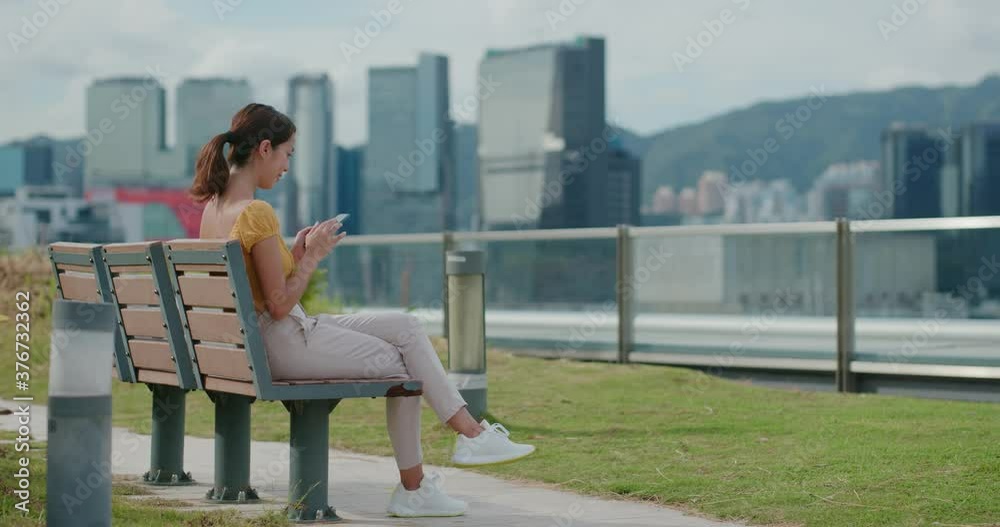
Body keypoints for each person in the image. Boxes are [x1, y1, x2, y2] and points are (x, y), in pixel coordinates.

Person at [189, 103, 534, 518]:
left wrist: (294, 252)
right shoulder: (256, 212)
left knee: (405, 327)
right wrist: (312, 256)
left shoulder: (214, 208)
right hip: (282, 341)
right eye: (287, 154)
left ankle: (471, 436)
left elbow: (258, 289)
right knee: (407, 368)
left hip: (252, 344)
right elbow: (279, 306)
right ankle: (420, 484)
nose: (286, 166)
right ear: (265, 148)